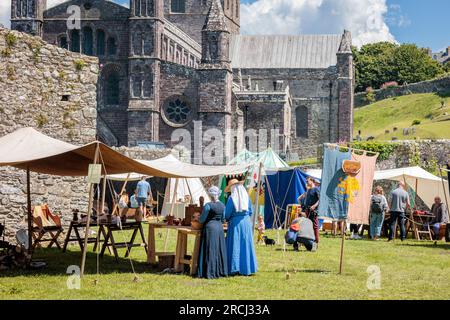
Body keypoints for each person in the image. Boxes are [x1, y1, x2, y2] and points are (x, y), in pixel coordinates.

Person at [224, 179, 258, 276]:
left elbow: (227, 214)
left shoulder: (232, 199)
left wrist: (230, 218)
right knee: (245, 245)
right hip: (246, 223)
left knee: (235, 245)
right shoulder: (246, 198)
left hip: (236, 224)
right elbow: (250, 211)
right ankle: (247, 267)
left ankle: (235, 268)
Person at [197, 186, 228, 279]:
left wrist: (197, 218)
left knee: (210, 249)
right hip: (219, 229)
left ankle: (209, 271)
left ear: (210, 195)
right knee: (218, 250)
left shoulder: (208, 205)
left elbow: (202, 220)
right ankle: (219, 270)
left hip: (210, 229)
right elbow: (223, 219)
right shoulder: (223, 205)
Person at [301, 177, 320, 244]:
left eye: (307, 181)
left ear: (312, 181)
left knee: (315, 226)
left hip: (313, 211)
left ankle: (317, 241)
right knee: (308, 225)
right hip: (307, 210)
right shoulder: (308, 190)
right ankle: (309, 240)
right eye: (306, 181)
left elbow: (320, 199)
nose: (306, 182)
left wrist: (314, 206)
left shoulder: (316, 190)